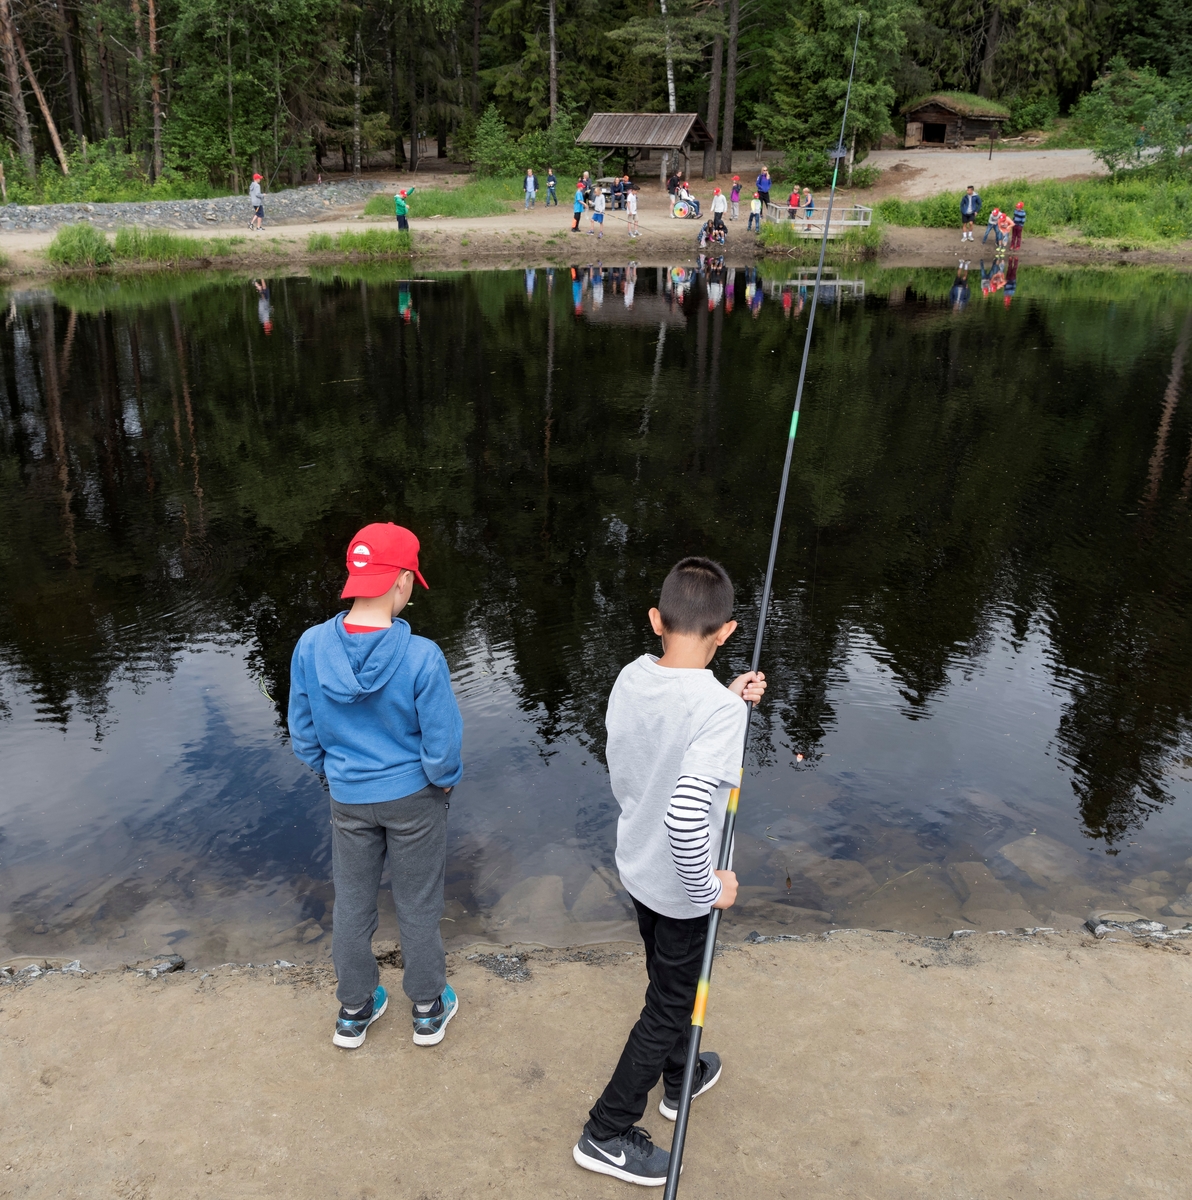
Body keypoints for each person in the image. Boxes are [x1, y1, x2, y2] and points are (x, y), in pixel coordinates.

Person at [571, 557, 766, 1186]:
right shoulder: (717, 712)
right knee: (669, 1000)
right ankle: (605, 1131)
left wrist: (727, 698)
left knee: (666, 978)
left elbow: (657, 737)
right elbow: (686, 816)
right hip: (684, 887)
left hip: (639, 868)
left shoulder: (632, 676)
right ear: (728, 631)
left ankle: (680, 1080)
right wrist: (711, 886)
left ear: (656, 619)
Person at [288, 522, 464, 1051]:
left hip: (348, 798)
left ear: (355, 577)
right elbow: (443, 744)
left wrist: (332, 771)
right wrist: (443, 782)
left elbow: (302, 731)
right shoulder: (422, 656)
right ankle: (428, 1009)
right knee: (417, 903)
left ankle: (354, 1009)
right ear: (404, 582)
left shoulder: (311, 646)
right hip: (415, 800)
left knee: (353, 903)